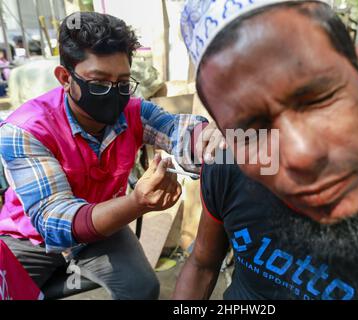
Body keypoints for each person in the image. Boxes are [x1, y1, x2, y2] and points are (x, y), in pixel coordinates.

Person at [174, 0, 358, 300]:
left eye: (317, 100)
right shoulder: (230, 168)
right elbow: (202, 264)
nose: (302, 155)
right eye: (253, 131)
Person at [0, 12, 223, 300]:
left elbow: (175, 129)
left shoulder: (132, 112)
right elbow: (55, 222)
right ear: (65, 77)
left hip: (103, 231)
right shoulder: (26, 130)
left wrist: (209, 140)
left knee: (142, 289)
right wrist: (136, 203)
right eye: (99, 82)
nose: (113, 94)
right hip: (27, 240)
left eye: (122, 83)